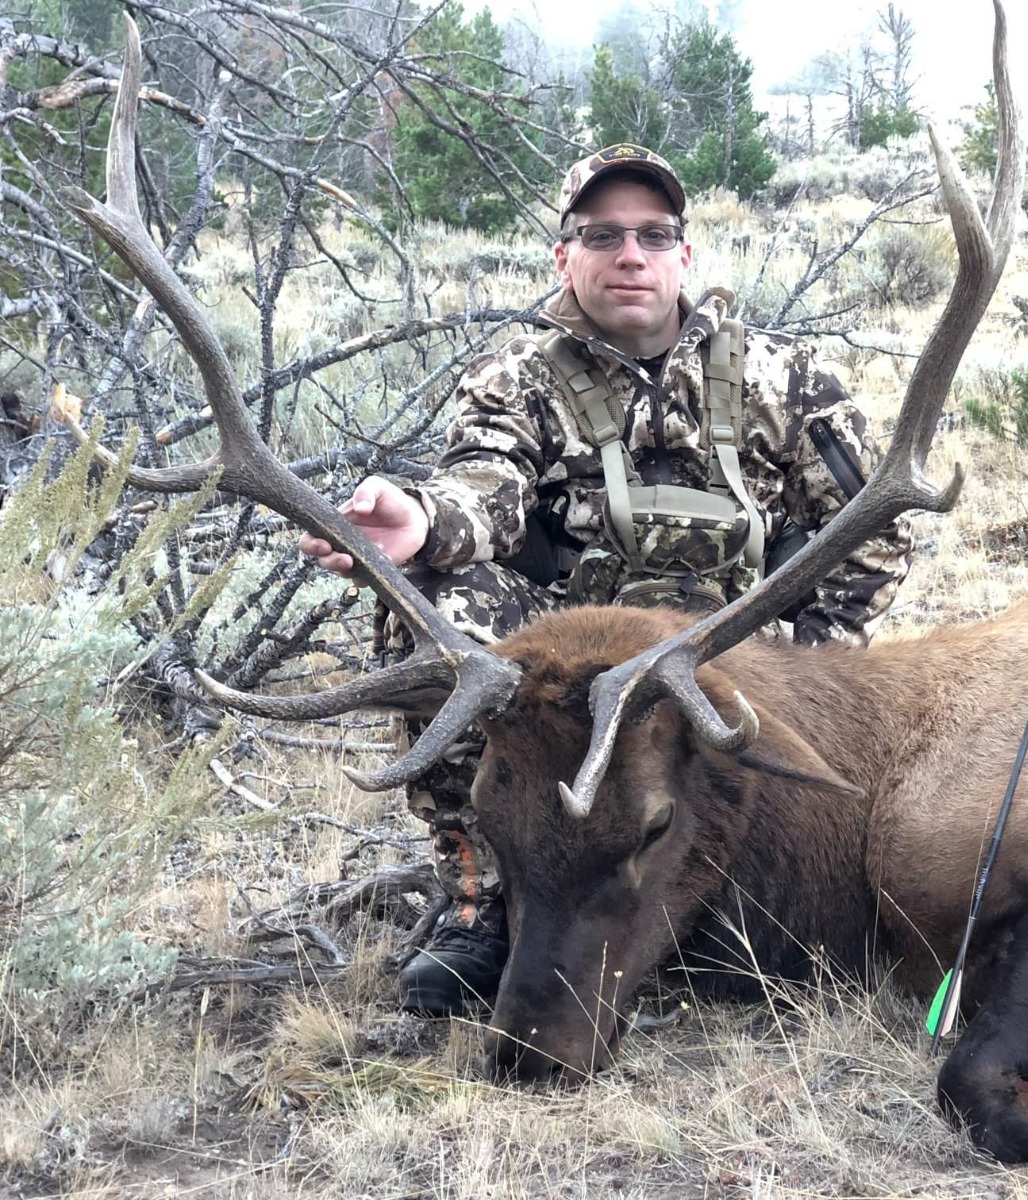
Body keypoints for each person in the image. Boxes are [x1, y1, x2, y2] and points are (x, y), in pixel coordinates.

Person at [301, 144, 912, 1016]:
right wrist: (426, 521)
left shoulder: (790, 380)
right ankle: (482, 891)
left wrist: (806, 676)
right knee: (435, 608)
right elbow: (488, 489)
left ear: (684, 256)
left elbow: (871, 534)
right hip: (571, 682)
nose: (632, 255)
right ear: (565, 256)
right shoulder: (519, 380)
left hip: (729, 664)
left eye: (654, 235)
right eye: (604, 235)